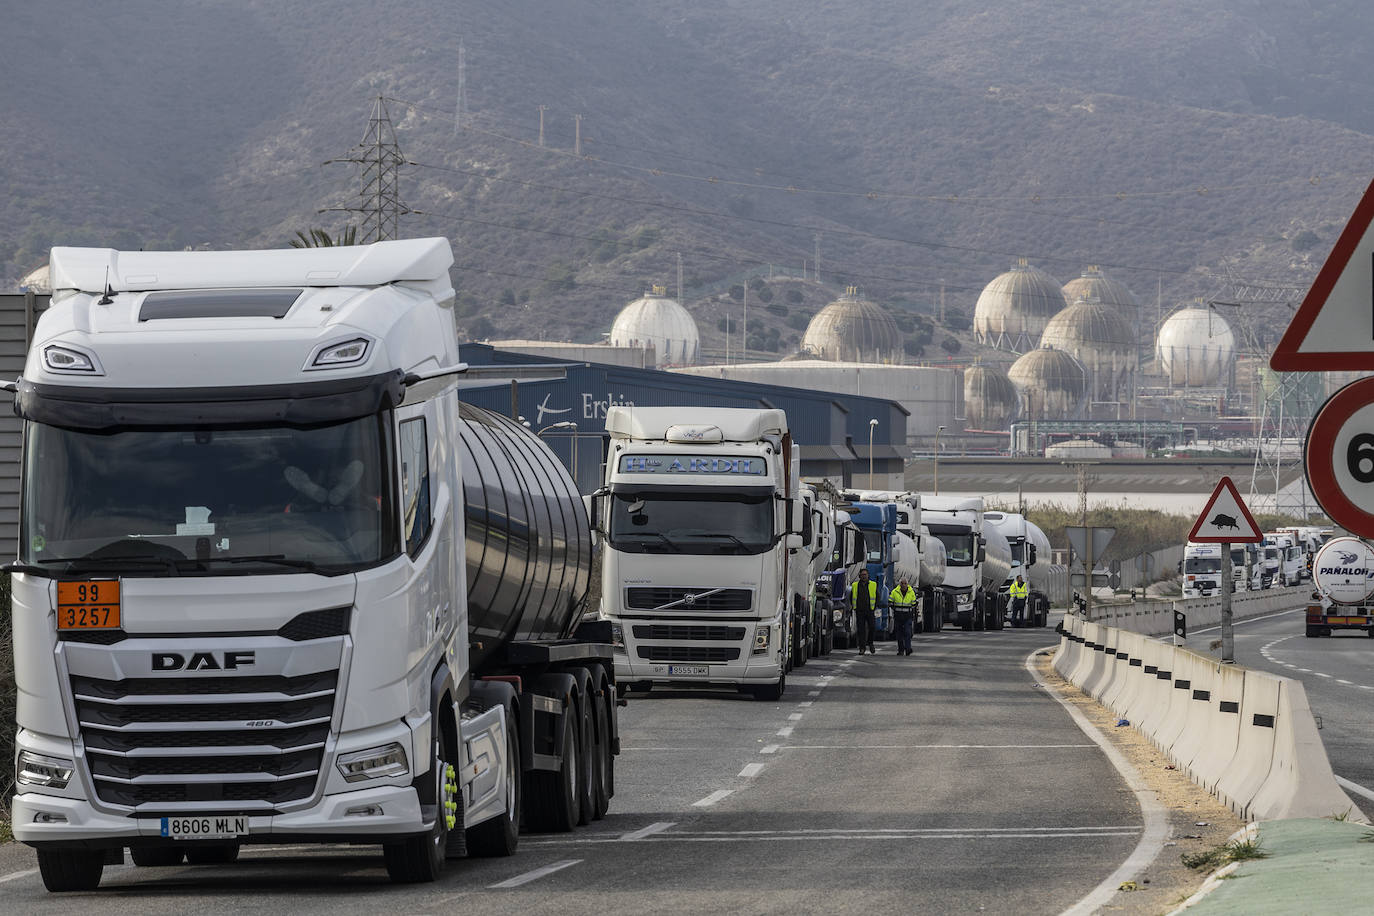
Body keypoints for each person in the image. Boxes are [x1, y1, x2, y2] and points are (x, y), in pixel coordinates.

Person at [851, 568, 879, 655]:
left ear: (868, 575)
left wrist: (874, 607)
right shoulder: (855, 585)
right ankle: (862, 648)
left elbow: (877, 596)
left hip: (870, 610)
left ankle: (870, 643)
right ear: (859, 576)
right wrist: (854, 607)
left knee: (872, 627)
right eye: (862, 575)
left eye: (865, 575)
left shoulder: (873, 585)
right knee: (861, 630)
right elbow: (851, 597)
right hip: (860, 611)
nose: (864, 576)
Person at [889, 577, 918, 656]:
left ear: (907, 584)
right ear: (899, 584)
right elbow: (890, 602)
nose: (903, 585)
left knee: (907, 633)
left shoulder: (911, 592)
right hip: (898, 616)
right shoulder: (894, 592)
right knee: (899, 634)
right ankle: (901, 650)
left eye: (905, 583)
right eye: (902, 583)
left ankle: (908, 649)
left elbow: (914, 604)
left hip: (907, 616)